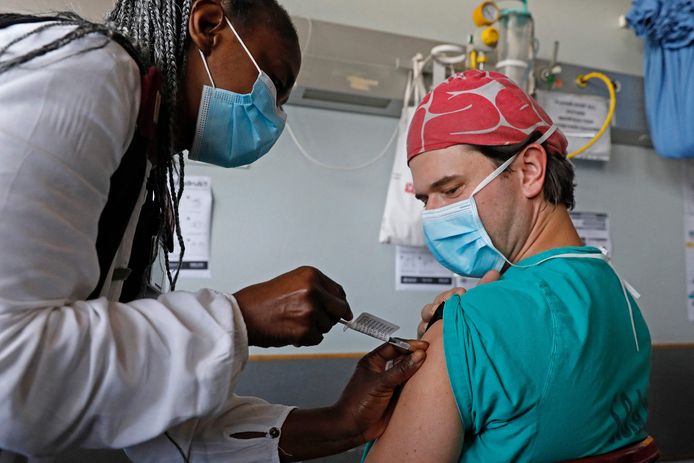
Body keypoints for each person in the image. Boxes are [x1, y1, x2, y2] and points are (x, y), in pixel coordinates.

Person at [0, 1, 428, 461]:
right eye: (274, 86)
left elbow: (141, 407)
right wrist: (240, 319)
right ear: (207, 26)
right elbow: (13, 371)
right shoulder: (88, 70)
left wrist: (341, 422)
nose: (275, 115)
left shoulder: (141, 161)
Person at [363, 70, 651, 462]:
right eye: (424, 199)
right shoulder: (618, 296)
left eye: (451, 190)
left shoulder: (468, 324)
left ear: (530, 171)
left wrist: (463, 327)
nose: (433, 217)